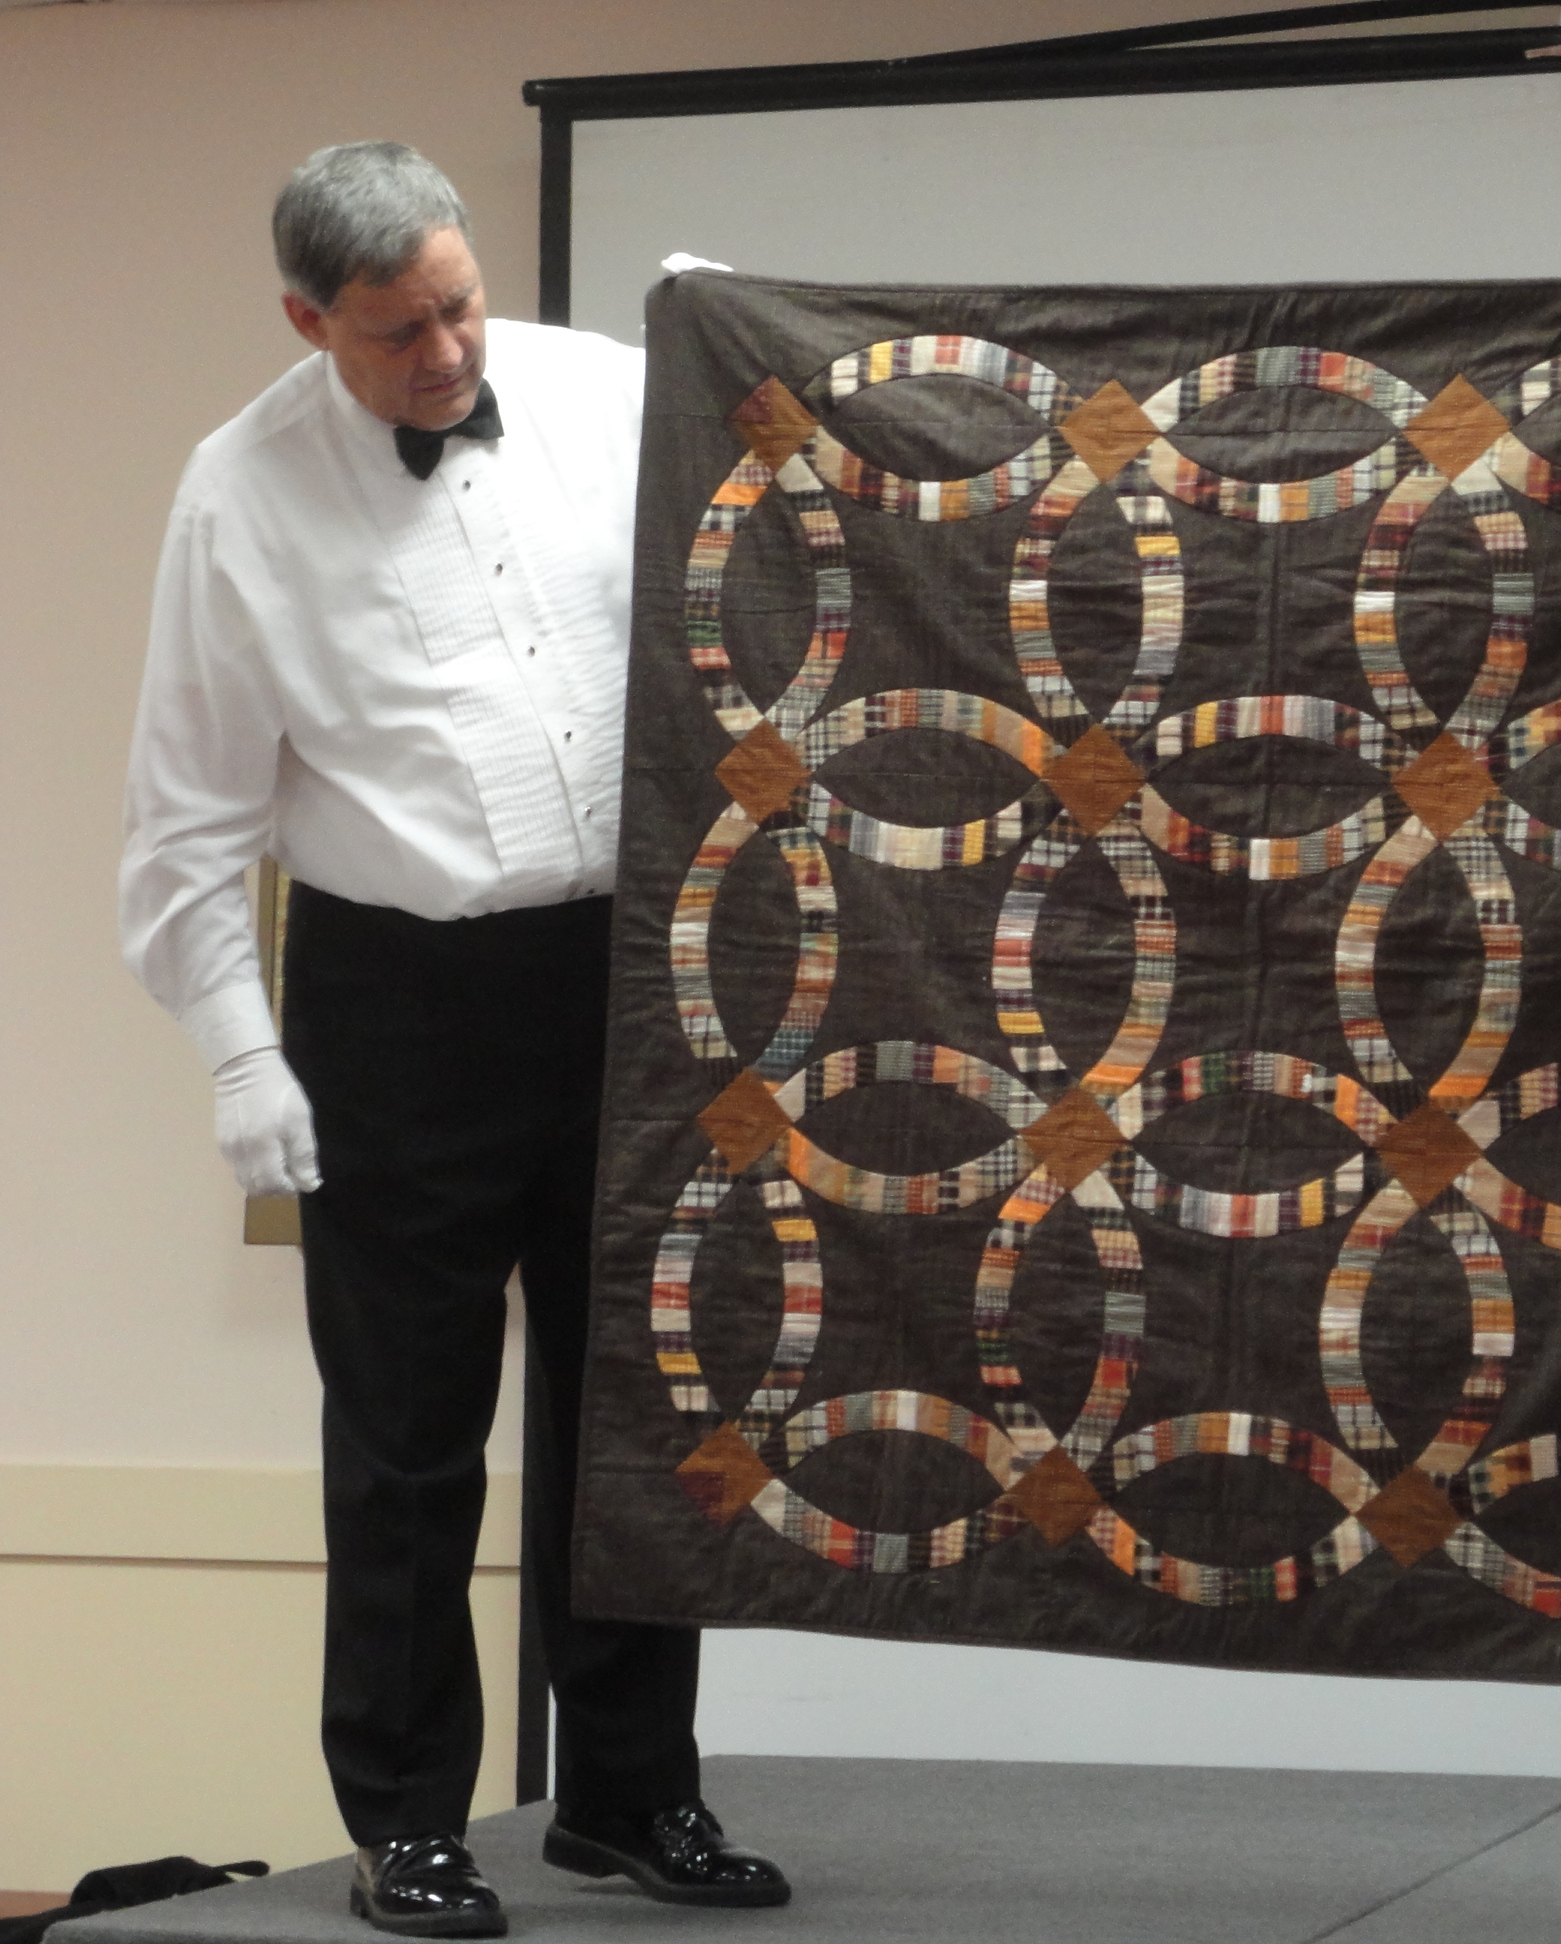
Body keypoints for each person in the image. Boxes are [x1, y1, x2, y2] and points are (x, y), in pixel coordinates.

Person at [119, 143, 790, 1937]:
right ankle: (408, 1821)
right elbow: (184, 824)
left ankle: (631, 1794)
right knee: (410, 1436)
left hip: (624, 973)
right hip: (396, 1001)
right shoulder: (237, 496)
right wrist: (240, 1054)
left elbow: (793, 471)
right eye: (398, 332)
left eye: (460, 308)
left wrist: (751, 341)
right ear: (307, 321)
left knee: (635, 1405)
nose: (446, 356)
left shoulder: (592, 385)